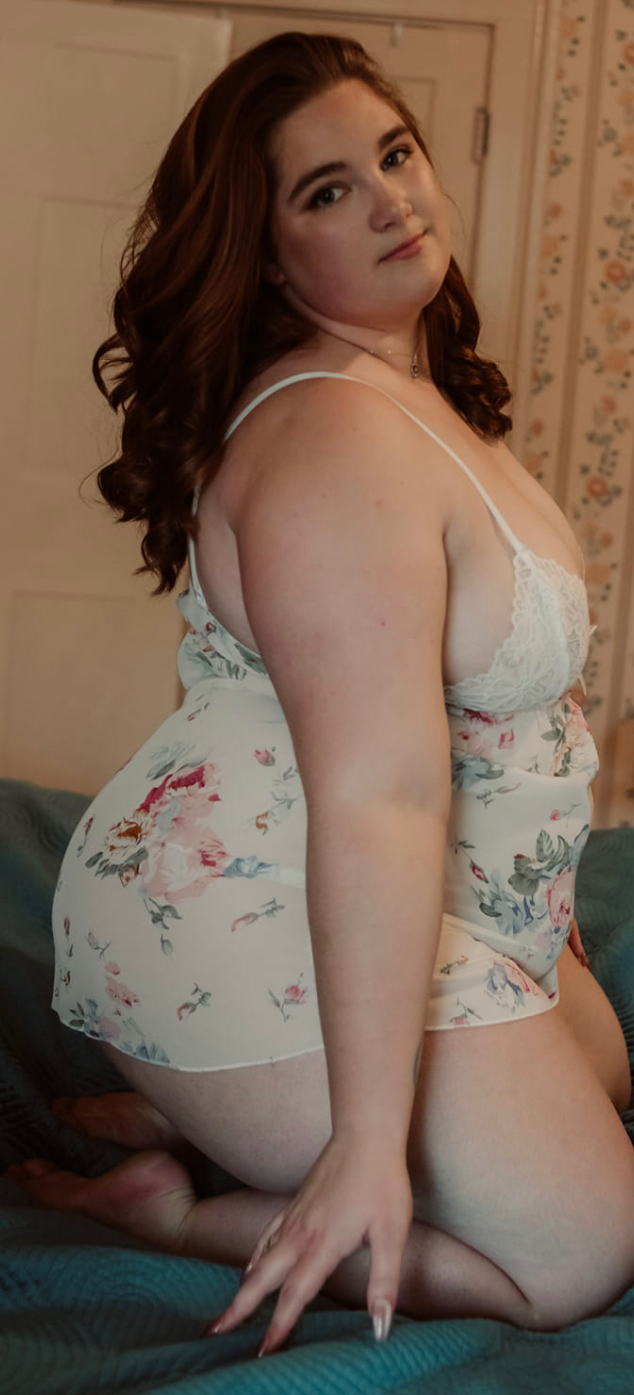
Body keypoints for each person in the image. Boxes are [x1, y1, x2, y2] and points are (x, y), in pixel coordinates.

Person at [7, 31, 634, 1358]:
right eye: (328, 190)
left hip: (371, 885)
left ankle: (199, 1109)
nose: (392, 198)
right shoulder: (332, 433)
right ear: (268, 256)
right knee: (579, 1251)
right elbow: (376, 793)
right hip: (248, 912)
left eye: (393, 155)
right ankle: (181, 1205)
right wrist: (364, 1140)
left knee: (601, 1070)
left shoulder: (407, 393)